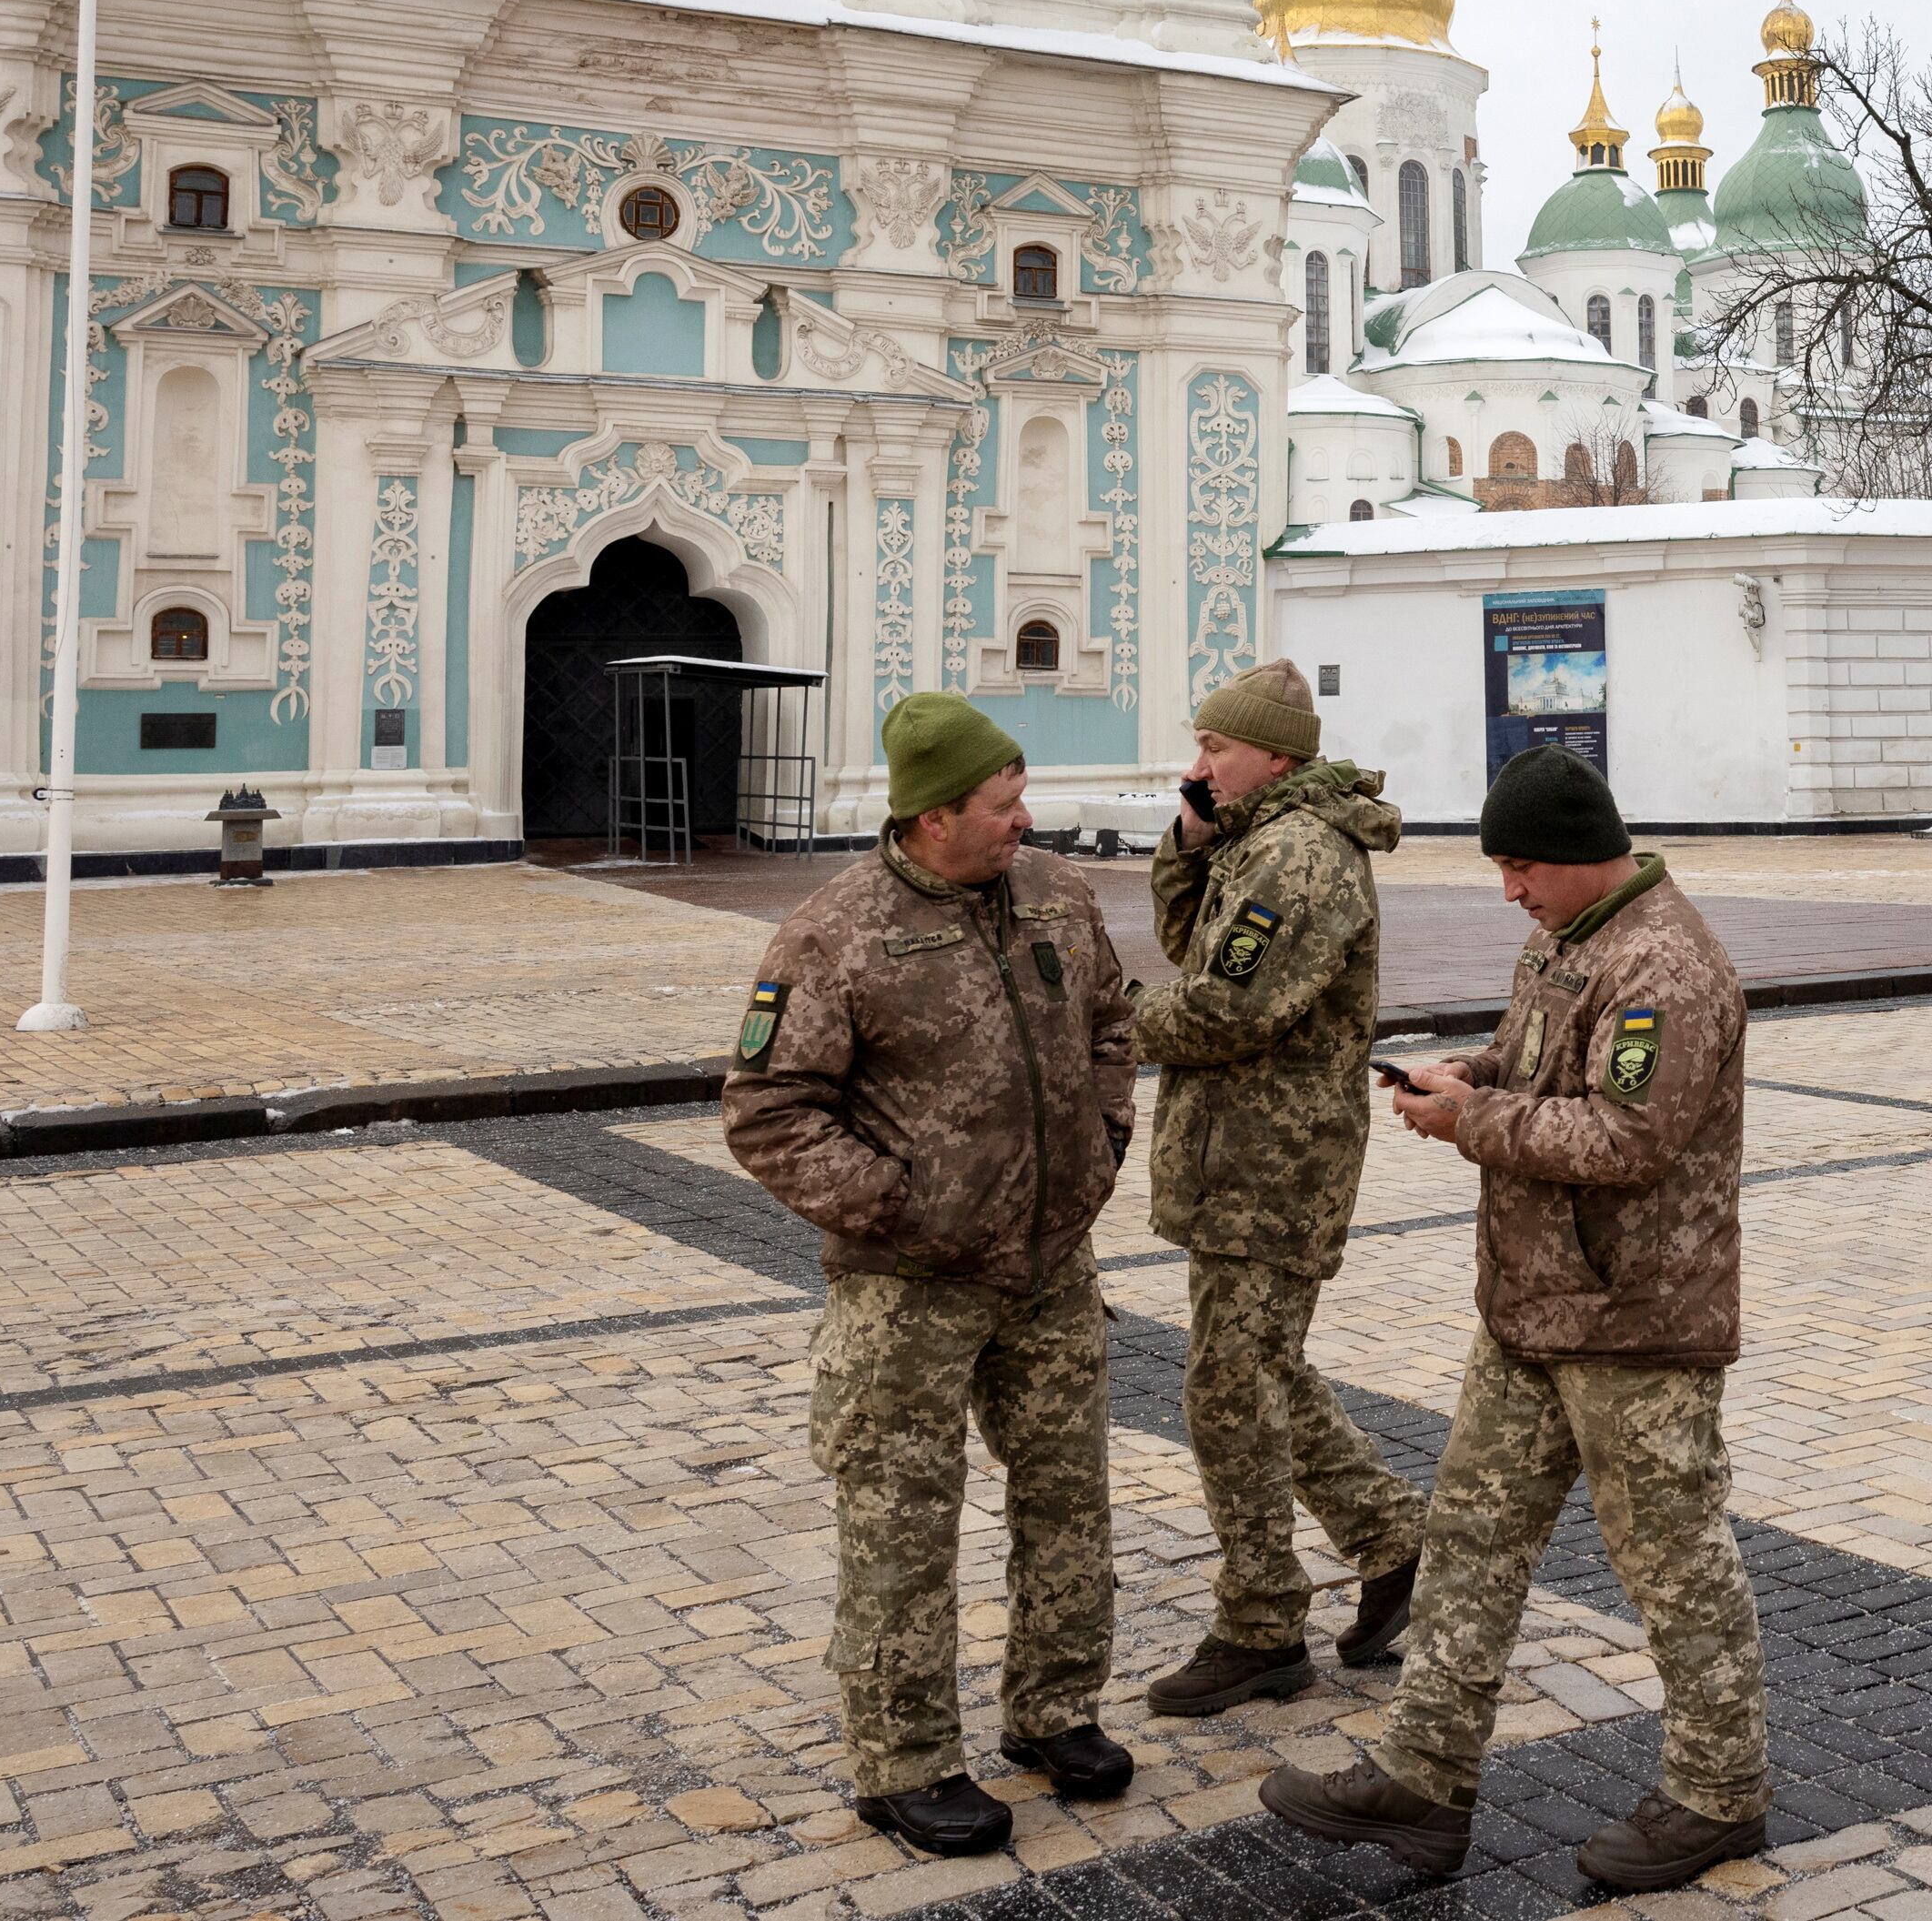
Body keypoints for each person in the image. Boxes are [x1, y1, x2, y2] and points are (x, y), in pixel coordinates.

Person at [1259, 743, 1771, 1891]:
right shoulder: (1570, 937)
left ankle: (1719, 1793)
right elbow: (1543, 1066)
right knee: (1471, 1544)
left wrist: (1473, 1121)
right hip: (1533, 1310)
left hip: (1636, 1326)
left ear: (1589, 855)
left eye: (1522, 866)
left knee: (1676, 1567)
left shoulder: (1663, 967)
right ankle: (1423, 1778)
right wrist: (1471, 1070)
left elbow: (1628, 1140)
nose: (1509, 891)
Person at [723, 694, 1141, 1858]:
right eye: (1004, 806)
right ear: (932, 815)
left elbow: (1112, 1022)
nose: (1025, 821)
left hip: (1051, 1267)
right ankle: (903, 1760)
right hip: (908, 1289)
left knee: (1070, 1498)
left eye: (1022, 800)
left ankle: (1055, 1710)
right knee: (903, 1524)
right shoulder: (833, 933)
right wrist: (905, 1209)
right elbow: (768, 1112)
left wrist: (1103, 1145)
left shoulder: (1056, 892)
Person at [1130, 659, 1427, 1715]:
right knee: (1261, 1369)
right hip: (1243, 1155)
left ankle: (1261, 1623)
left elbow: (1222, 1012)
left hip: (1274, 1163)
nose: (1196, 764)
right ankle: (1395, 1542)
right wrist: (1189, 841)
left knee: (1228, 1389)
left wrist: (1100, 1015)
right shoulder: (1259, 838)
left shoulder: (1300, 855)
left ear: (1277, 756)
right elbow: (1195, 947)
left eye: (1214, 748)